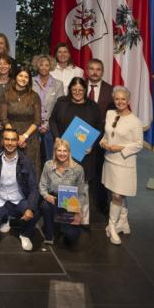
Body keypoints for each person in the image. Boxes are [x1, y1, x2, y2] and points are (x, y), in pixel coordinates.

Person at [48, 76, 103, 221]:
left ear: (85, 90)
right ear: (70, 89)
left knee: (82, 186)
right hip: (62, 152)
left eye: (80, 90)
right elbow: (52, 120)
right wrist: (57, 137)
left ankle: (83, 219)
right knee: (62, 183)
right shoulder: (62, 102)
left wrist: (92, 144)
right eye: (74, 89)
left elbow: (99, 127)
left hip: (85, 154)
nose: (77, 92)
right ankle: (64, 216)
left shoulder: (93, 106)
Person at [0, 128, 39, 252]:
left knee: (36, 211)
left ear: (17, 142)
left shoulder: (26, 162)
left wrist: (30, 208)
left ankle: (24, 234)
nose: (10, 143)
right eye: (7, 139)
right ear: (2, 141)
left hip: (18, 200)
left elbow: (34, 187)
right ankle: (5, 218)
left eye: (13, 140)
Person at [100, 86, 143, 245]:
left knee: (117, 195)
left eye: (123, 99)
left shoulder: (135, 121)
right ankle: (123, 221)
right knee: (118, 193)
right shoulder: (110, 114)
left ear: (128, 101)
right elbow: (107, 133)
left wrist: (120, 148)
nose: (120, 102)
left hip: (124, 162)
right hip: (110, 160)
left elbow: (138, 145)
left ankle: (111, 226)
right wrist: (103, 141)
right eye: (117, 99)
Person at [39, 139, 84, 246]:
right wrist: (46, 196)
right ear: (55, 151)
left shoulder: (78, 169)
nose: (62, 154)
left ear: (69, 152)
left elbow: (81, 193)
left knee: (71, 236)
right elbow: (42, 185)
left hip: (69, 203)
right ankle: (49, 234)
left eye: (65, 151)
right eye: (59, 150)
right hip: (53, 200)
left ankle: (60, 227)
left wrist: (78, 211)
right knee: (45, 206)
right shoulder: (48, 165)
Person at [85, 58, 115, 214]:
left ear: (102, 72)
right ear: (87, 70)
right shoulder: (79, 86)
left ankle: (101, 205)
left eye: (98, 69)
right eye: (92, 69)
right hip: (81, 137)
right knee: (81, 171)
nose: (95, 72)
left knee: (100, 171)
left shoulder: (111, 90)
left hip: (103, 139)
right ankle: (80, 205)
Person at [0, 69, 42, 171]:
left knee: (30, 169)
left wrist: (24, 136)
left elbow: (37, 121)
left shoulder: (34, 96)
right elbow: (4, 119)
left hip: (30, 138)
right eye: (20, 76)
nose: (23, 79)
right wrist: (15, 138)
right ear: (15, 77)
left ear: (29, 80)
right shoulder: (6, 95)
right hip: (9, 137)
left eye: (26, 77)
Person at [32, 54, 64, 164]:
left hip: (50, 128)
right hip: (33, 126)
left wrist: (46, 125)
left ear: (50, 66)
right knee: (33, 158)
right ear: (37, 66)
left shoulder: (58, 84)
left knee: (50, 159)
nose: (44, 67)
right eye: (41, 64)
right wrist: (38, 124)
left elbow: (59, 108)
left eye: (47, 65)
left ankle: (50, 181)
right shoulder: (30, 82)